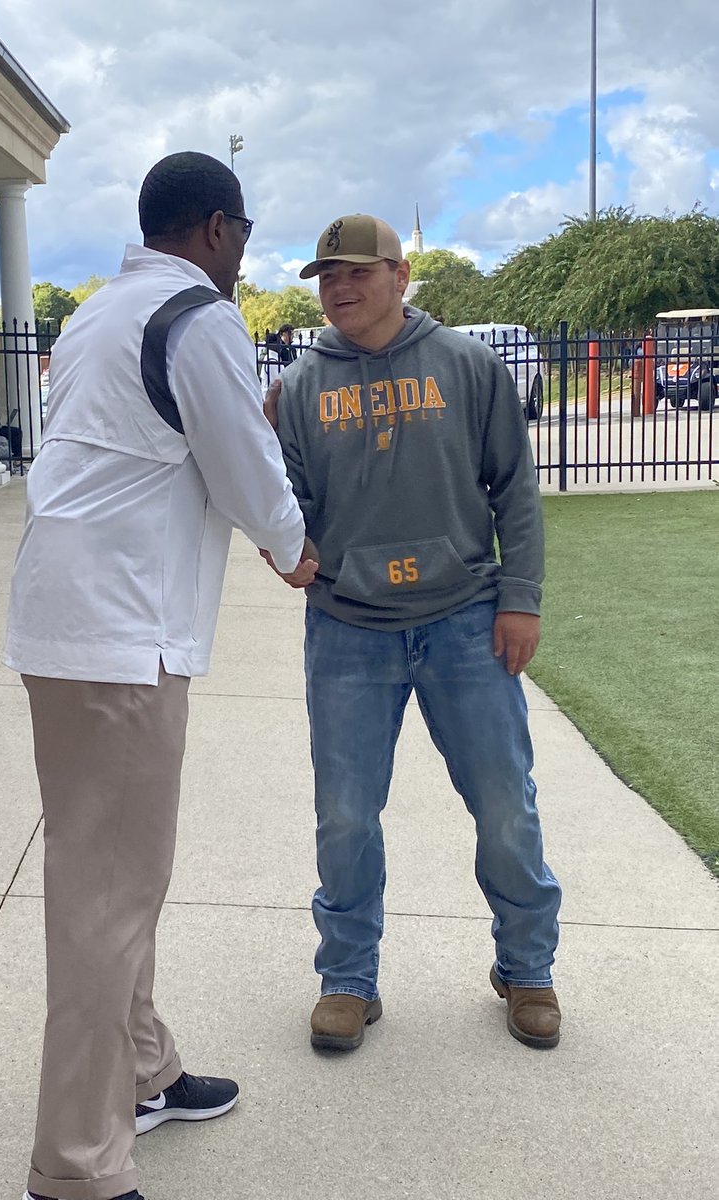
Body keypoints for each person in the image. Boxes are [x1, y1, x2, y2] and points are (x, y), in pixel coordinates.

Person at [4, 151, 317, 1200]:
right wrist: (293, 548)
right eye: (246, 235)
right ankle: (77, 1167)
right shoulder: (199, 318)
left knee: (112, 882)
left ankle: (145, 1069)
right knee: (105, 900)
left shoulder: (100, 313)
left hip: (70, 630)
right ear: (218, 228)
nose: (246, 256)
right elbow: (246, 469)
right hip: (121, 640)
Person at [263, 213, 562, 1055]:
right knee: (345, 815)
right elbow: (286, 504)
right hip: (349, 628)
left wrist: (521, 598)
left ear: (400, 276)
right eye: (327, 276)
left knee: (505, 805)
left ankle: (527, 966)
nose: (339, 288)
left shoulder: (467, 365)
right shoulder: (300, 386)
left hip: (464, 618)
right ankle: (347, 978)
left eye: (357, 272)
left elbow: (515, 488)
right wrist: (285, 543)